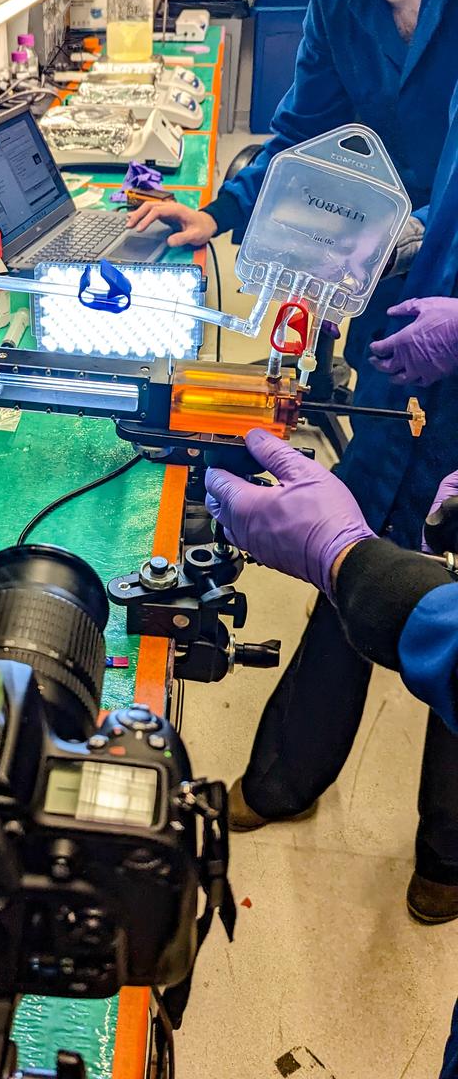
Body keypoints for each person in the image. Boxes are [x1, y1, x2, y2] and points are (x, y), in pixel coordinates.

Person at [128, 0, 458, 923]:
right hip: (398, 333)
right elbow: (303, 131)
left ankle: (451, 853)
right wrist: (217, 210)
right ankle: (283, 778)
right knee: (351, 547)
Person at [203, 429, 458, 1076]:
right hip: (402, 402)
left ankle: (448, 854)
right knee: (369, 514)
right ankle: (285, 778)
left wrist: (345, 559)